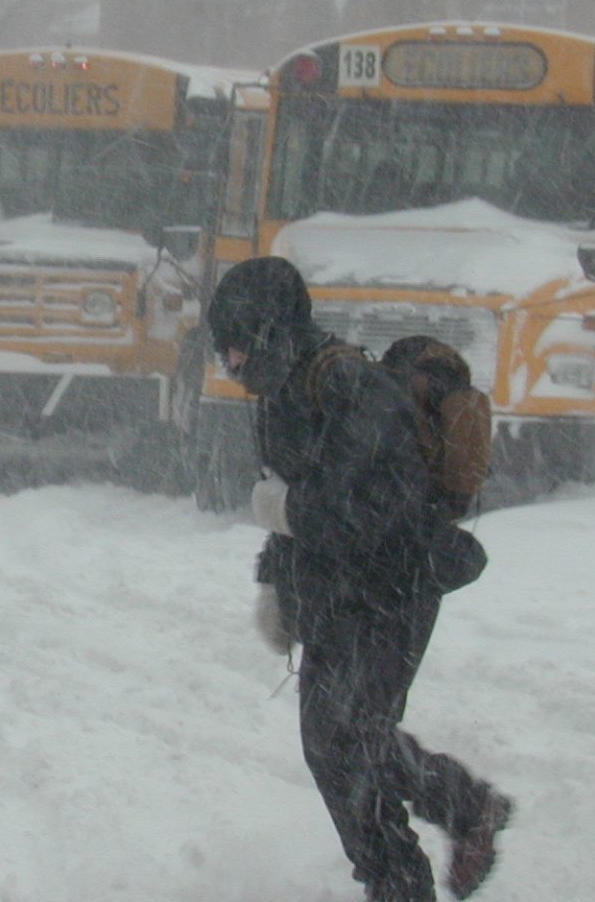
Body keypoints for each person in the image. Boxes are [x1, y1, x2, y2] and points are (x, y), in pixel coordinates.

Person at [205, 256, 512, 902]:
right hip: (340, 595)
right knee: (338, 743)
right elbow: (293, 500)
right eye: (224, 348)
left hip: (393, 589)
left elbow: (370, 508)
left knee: (345, 738)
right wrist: (275, 579)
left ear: (269, 331)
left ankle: (411, 870)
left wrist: (288, 513)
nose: (230, 362)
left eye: (236, 344)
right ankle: (445, 827)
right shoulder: (284, 391)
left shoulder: (347, 385)